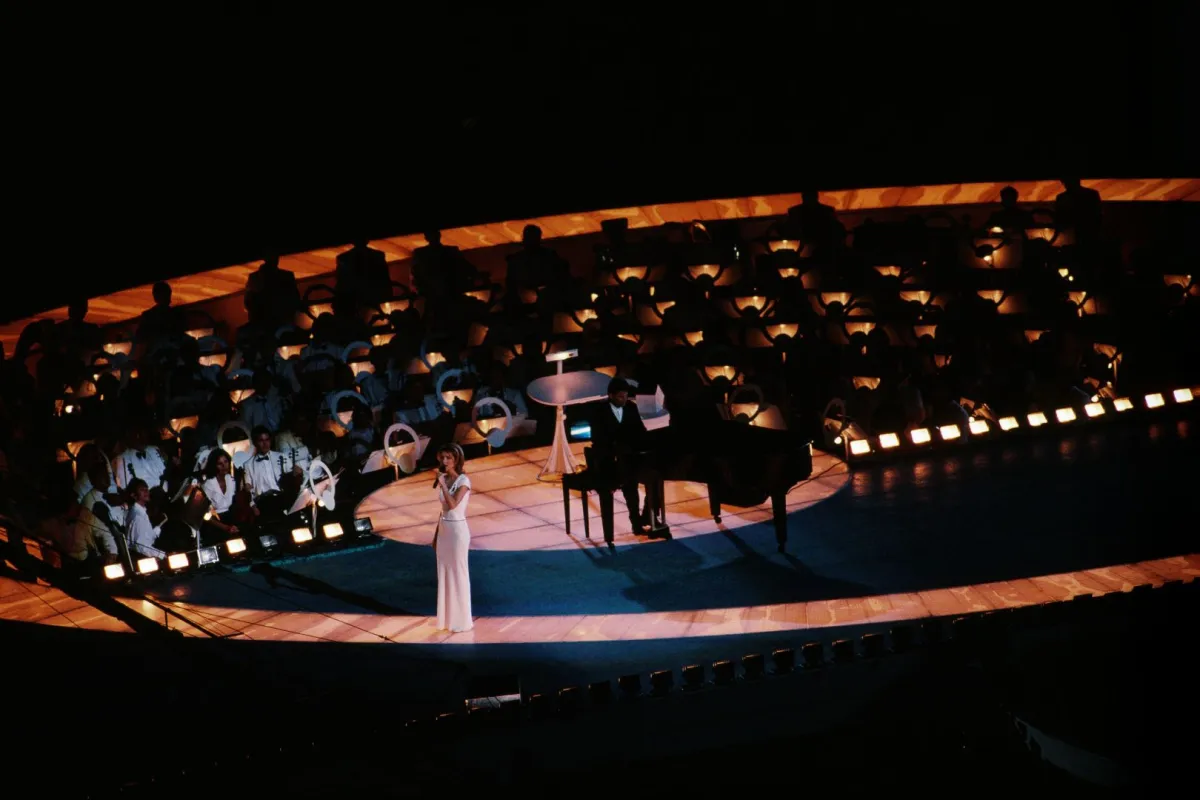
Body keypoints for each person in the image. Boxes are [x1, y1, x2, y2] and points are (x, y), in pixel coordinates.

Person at [589, 377, 652, 540]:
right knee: (630, 484)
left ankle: (645, 517)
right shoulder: (599, 411)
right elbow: (598, 438)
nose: (624, 400)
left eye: (625, 396)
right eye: (620, 397)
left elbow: (640, 432)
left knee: (650, 481)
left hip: (629, 458)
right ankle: (637, 523)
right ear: (610, 395)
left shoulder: (631, 408)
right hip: (609, 461)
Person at [433, 443, 473, 633]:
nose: (445, 461)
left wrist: (442, 484)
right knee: (445, 573)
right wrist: (435, 536)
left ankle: (462, 620)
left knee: (458, 573)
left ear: (457, 460)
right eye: (443, 458)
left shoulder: (464, 481)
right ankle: (447, 619)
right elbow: (442, 511)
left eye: (448, 458)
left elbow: (453, 505)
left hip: (457, 532)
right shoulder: (445, 479)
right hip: (444, 530)